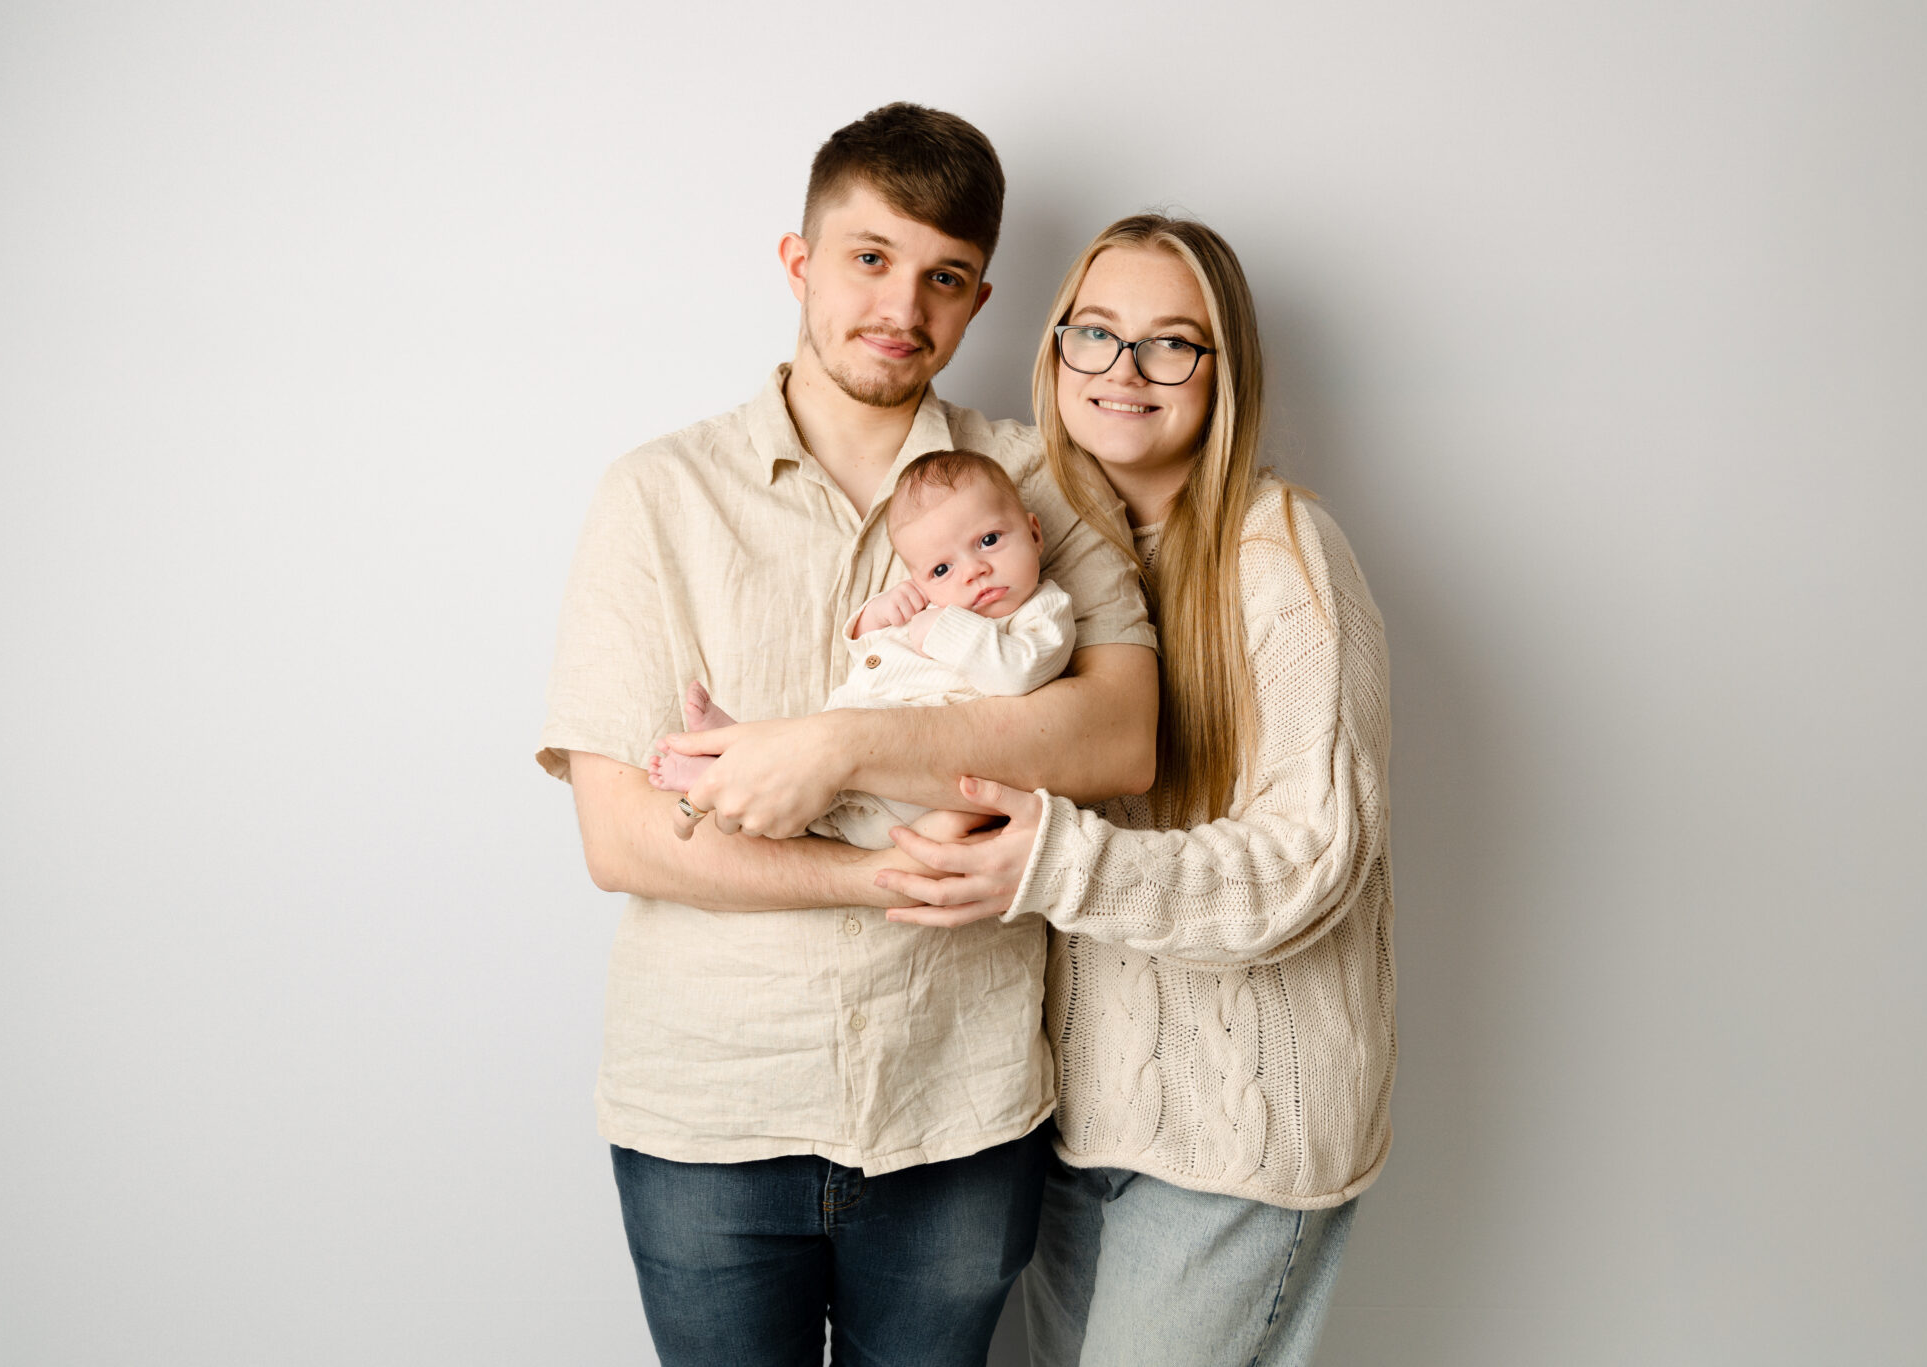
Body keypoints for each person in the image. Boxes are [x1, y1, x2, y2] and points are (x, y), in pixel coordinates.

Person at [536, 106, 1158, 1366]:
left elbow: (1118, 737)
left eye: (940, 276)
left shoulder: (1044, 481)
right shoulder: (656, 494)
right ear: (796, 260)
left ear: (979, 296)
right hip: (708, 1105)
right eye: (867, 257)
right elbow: (622, 836)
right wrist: (875, 874)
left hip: (959, 1103)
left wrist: (837, 747)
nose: (901, 303)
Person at [874, 214, 1397, 1367]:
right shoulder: (1015, 550)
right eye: (1096, 334)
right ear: (1053, 346)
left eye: (1171, 344)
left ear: (1224, 370)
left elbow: (1309, 856)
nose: (1123, 372)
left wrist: (1057, 860)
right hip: (1077, 1121)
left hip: (1234, 1131)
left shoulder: (1285, 556)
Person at [647, 448, 1077, 850]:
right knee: (790, 760)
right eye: (941, 569)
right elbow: (874, 659)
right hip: (842, 732)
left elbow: (1020, 672)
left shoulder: (1043, 610)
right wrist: (877, 615)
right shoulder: (932, 609)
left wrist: (946, 630)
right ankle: (729, 752)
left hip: (908, 789)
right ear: (923, 583)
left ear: (1034, 533)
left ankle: (718, 774)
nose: (974, 571)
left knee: (804, 813)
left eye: (989, 540)